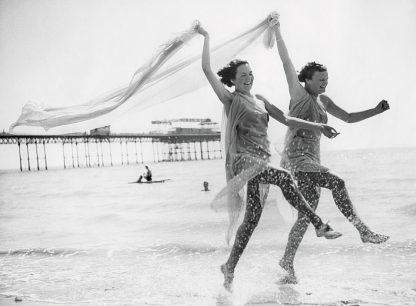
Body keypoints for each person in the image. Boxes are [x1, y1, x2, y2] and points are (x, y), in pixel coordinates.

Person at [196, 22, 343, 291]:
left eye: (250, 74)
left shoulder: (260, 99)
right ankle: (319, 224)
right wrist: (206, 37)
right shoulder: (231, 100)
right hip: (244, 161)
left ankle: (229, 267)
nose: (248, 78)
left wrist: (318, 126)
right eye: (243, 75)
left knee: (251, 221)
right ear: (233, 79)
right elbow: (206, 69)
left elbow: (287, 119)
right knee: (286, 178)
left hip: (262, 162)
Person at [269, 16, 390, 284]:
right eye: (320, 79)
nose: (324, 82)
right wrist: (277, 31)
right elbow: (286, 62)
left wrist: (376, 110)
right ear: (307, 80)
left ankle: (287, 262)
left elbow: (347, 117)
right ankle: (363, 230)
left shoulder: (323, 100)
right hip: (296, 160)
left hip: (311, 160)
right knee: (337, 182)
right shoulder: (299, 94)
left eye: (327, 78)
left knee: (305, 216)